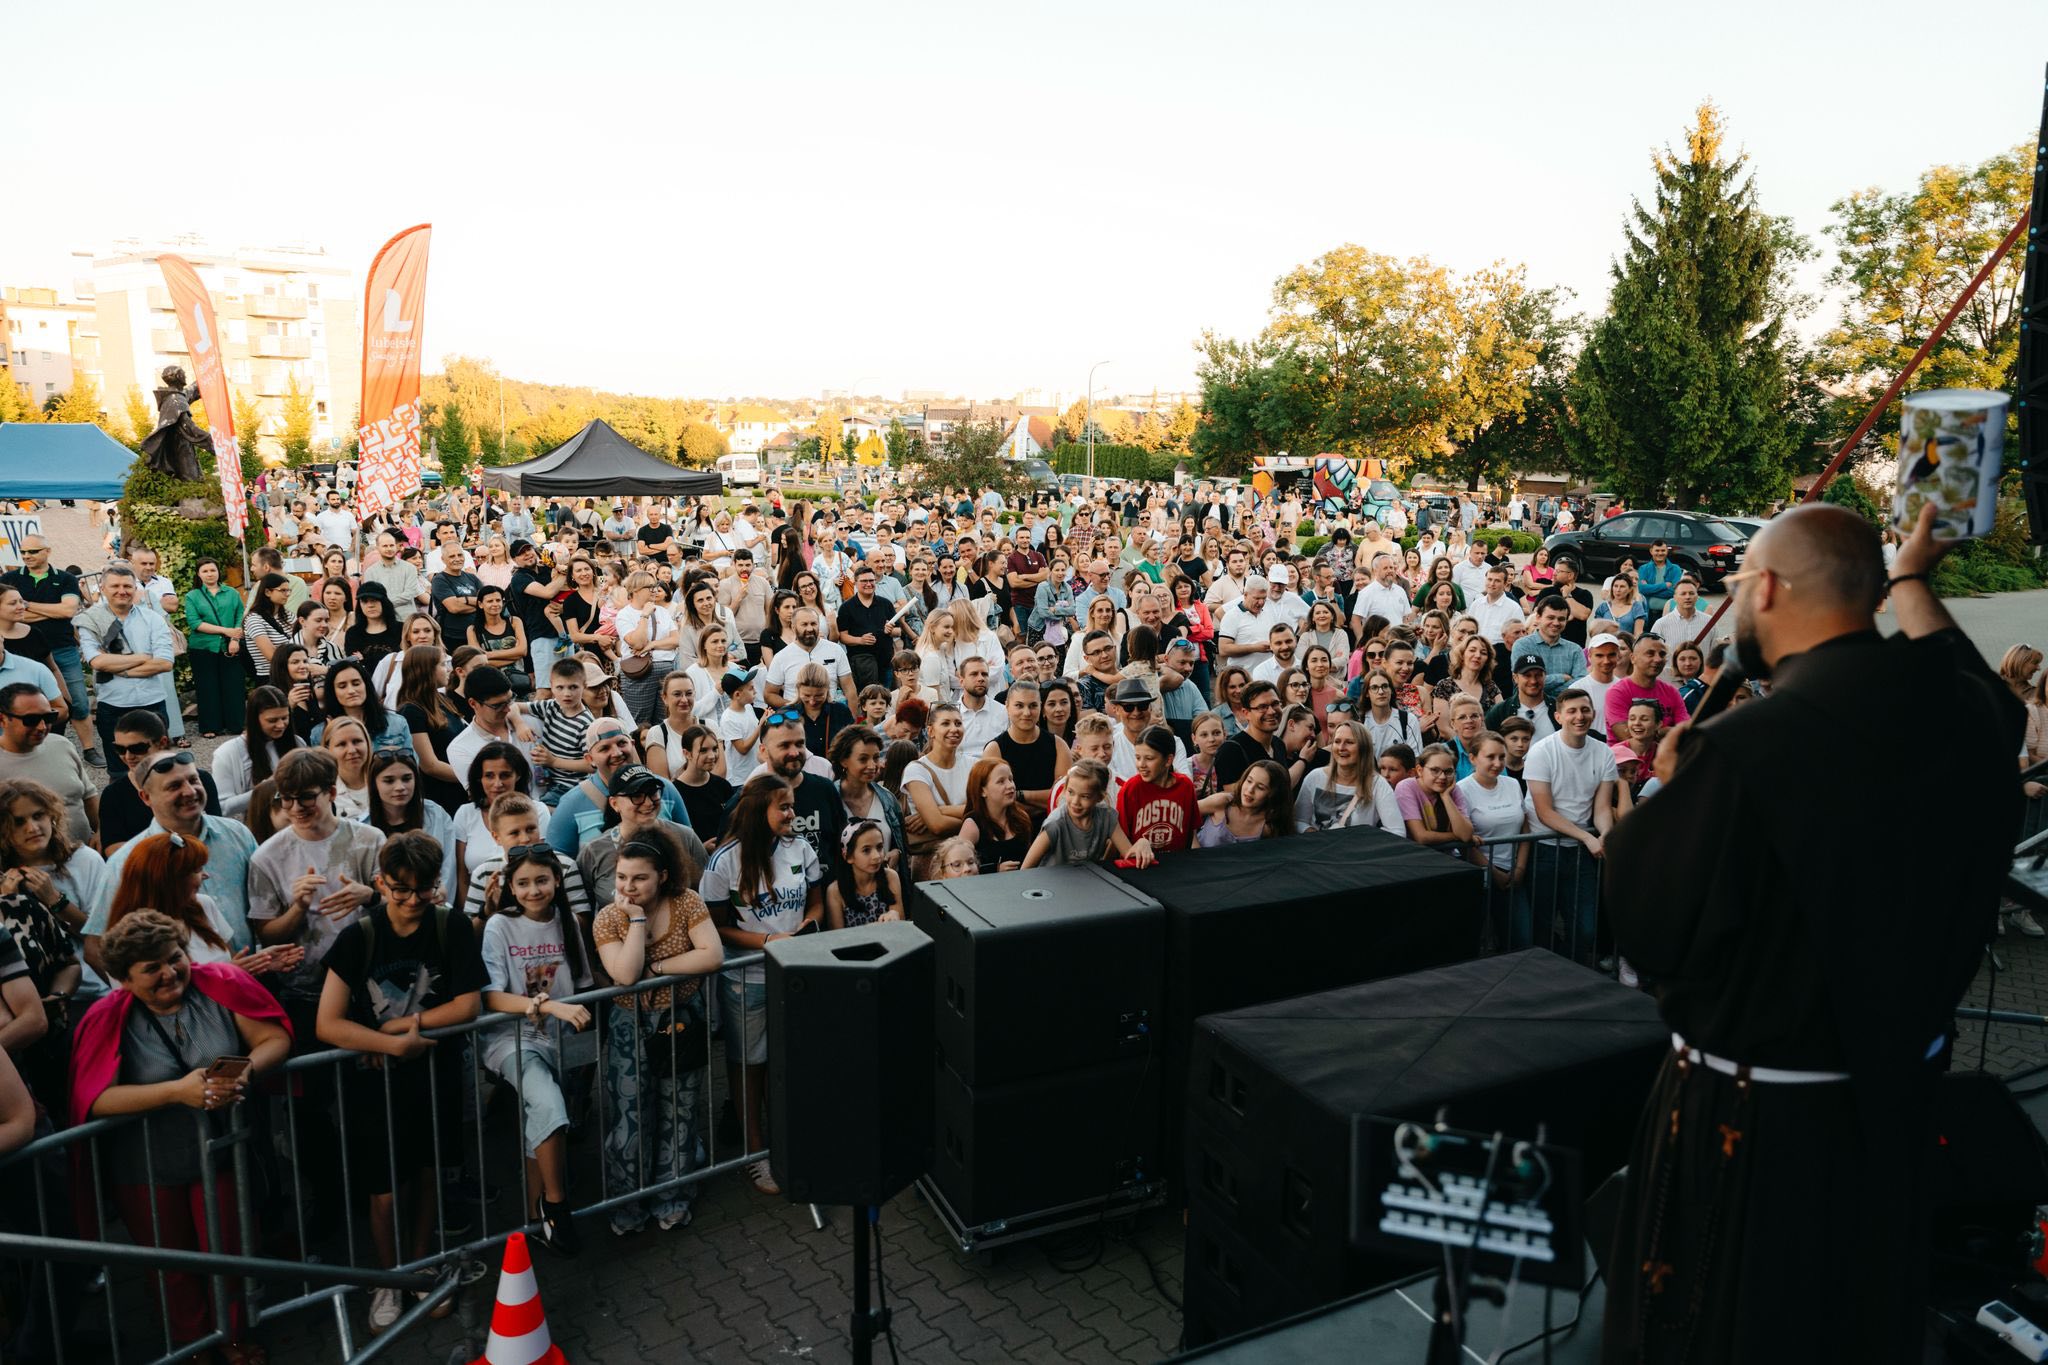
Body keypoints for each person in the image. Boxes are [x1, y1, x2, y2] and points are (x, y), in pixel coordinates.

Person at [1600, 504, 2023, 1363]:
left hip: (1755, 1124)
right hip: (1894, 1104)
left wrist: (1670, 793)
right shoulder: (1962, 719)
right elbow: (1967, 676)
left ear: (1765, 588)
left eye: (1738, 581)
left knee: (1731, 1325)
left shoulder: (1746, 747)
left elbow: (1650, 924)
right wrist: (1910, 573)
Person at [67, 911, 290, 1364]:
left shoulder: (220, 985)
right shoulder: (106, 1018)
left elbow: (273, 1038)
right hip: (144, 1164)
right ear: (125, 979)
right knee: (172, 1265)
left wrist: (245, 1071)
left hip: (219, 1152)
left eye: (174, 958)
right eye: (152, 968)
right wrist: (175, 1092)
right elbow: (94, 1098)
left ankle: (232, 1337)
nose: (170, 973)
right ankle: (193, 1347)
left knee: (228, 1251)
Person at [316, 832, 483, 1331]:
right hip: (376, 1085)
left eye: (423, 889)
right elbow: (327, 1023)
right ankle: (389, 1277)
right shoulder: (358, 937)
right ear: (380, 883)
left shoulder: (450, 925)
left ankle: (420, 1263)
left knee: (429, 1173)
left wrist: (397, 1028)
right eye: (400, 889)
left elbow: (467, 1004)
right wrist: (391, 1045)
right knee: (384, 1189)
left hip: (434, 1075)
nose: (412, 900)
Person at [592, 828, 722, 1234]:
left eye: (639, 878)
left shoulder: (687, 902)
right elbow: (625, 975)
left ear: (662, 876)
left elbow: (712, 955)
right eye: (622, 877)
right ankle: (628, 1205)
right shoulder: (609, 917)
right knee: (630, 1118)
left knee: (679, 1110)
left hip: (681, 1018)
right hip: (629, 1026)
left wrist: (658, 968)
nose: (628, 886)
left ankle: (673, 1198)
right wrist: (635, 920)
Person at [702, 778, 823, 1196]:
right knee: (748, 1064)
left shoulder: (800, 848)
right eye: (783, 807)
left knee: (787, 1061)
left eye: (792, 805)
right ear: (758, 810)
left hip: (792, 974)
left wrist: (808, 926)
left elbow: (816, 900)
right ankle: (755, 1151)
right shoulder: (724, 861)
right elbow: (716, 926)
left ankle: (788, 1141)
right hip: (746, 978)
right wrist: (768, 941)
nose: (792, 814)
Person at [477, 842, 595, 1255]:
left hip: (561, 1041)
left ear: (557, 880)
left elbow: (583, 984)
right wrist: (545, 1005)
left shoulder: (568, 922)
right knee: (548, 1105)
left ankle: (534, 1219)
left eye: (541, 880)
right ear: (510, 886)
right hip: (512, 1040)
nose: (533, 890)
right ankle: (556, 1205)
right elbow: (491, 996)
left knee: (542, 1119)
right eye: (523, 883)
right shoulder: (499, 926)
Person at [246, 748, 384, 1035]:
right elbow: (266, 934)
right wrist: (298, 907)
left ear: (331, 792)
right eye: (286, 798)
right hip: (306, 993)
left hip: (372, 984)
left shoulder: (369, 840)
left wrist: (370, 897)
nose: (296, 808)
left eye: (306, 797)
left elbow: (401, 905)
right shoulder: (266, 857)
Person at [1523, 688, 1616, 965]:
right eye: (1572, 711)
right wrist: (1587, 837)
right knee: (1541, 924)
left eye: (1585, 710)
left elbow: (1601, 808)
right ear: (1558, 716)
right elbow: (1544, 812)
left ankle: (1569, 971)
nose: (1579, 716)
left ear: (1593, 714)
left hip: (1581, 851)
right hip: (1544, 848)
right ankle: (1546, 975)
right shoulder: (1541, 751)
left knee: (1585, 928)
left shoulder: (1603, 752)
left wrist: (1606, 834)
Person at [76, 562, 176, 759]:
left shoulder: (153, 619)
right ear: (103, 588)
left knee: (159, 764)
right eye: (115, 586)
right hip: (113, 704)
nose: (122, 591)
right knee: (119, 768)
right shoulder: (90, 621)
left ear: (135, 588)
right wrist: (144, 657)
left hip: (152, 702)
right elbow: (97, 662)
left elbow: (164, 663)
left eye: (127, 586)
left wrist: (118, 668)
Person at [0, 682, 95, 842]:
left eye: (49, 717)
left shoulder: (61, 745)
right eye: (31, 720)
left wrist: (102, 831)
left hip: (82, 852)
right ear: (2, 719)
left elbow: (89, 795)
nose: (42, 726)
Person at [1022, 758, 1151, 867]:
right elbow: (1026, 869)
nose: (1075, 802)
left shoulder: (1106, 817)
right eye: (1071, 792)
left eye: (1085, 796)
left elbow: (1128, 854)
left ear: (1099, 797)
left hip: (1088, 882)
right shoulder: (1055, 824)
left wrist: (1143, 843)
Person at [1293, 719, 1402, 833]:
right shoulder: (1315, 777)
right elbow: (1298, 820)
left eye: (1349, 742)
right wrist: (1313, 834)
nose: (1341, 748)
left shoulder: (1377, 784)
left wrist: (1367, 841)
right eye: (1337, 741)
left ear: (1363, 748)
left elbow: (1397, 830)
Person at [182, 556, 247, 738]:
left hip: (230, 645)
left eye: (213, 570)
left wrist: (234, 639)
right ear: (198, 574)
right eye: (205, 571)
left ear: (218, 572)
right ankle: (210, 726)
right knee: (207, 687)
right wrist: (226, 631)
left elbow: (239, 615)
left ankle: (235, 724)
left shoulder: (231, 593)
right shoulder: (192, 596)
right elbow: (195, 623)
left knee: (233, 685)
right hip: (203, 647)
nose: (209, 574)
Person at [1116, 725, 1198, 856]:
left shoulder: (1185, 786)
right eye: (1138, 757)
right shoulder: (1131, 789)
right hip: (1140, 864)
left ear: (1168, 760)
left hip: (1177, 862)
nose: (1141, 765)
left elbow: (1190, 834)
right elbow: (1120, 839)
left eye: (1149, 758)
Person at [956, 757, 1035, 873]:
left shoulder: (1021, 818)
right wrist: (995, 869)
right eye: (1001, 781)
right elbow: (958, 866)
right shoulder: (973, 824)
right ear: (982, 791)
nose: (1010, 786)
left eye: (1011, 779)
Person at [1195, 759, 1292, 847]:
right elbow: (1187, 811)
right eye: (1249, 781)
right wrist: (1195, 848)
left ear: (1273, 794)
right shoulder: (1222, 802)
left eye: (1260, 787)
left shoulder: (1269, 826)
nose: (1250, 790)